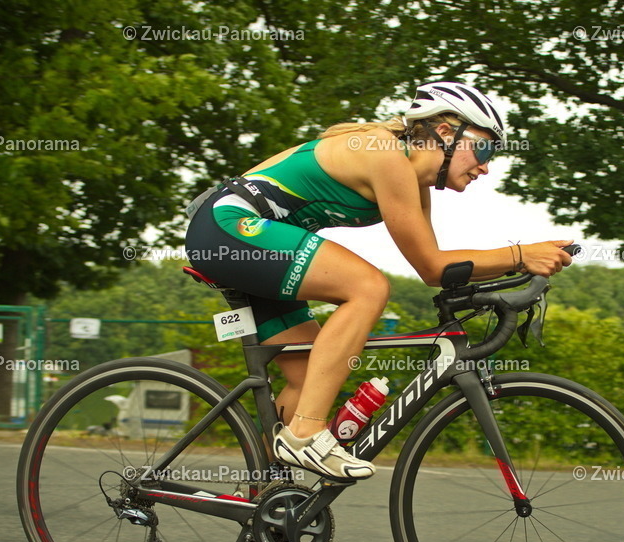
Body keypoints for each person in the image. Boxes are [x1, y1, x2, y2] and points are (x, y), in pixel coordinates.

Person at [185, 81, 573, 481]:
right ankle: (305, 434)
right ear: (445, 133)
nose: (487, 166)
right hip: (227, 228)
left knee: (306, 378)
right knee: (368, 288)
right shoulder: (388, 157)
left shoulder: (415, 181)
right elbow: (434, 266)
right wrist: (520, 254)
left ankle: (267, 502)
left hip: (250, 244)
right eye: (485, 148)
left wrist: (520, 265)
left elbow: (433, 269)